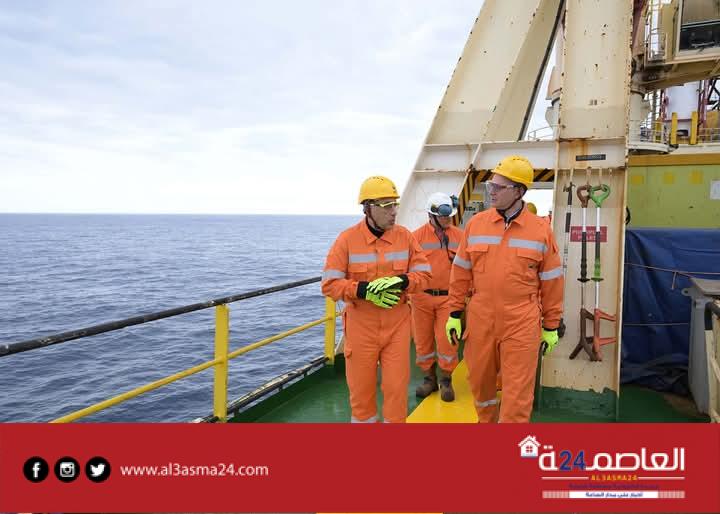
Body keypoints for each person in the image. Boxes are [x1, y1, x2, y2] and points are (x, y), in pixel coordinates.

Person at [445, 156, 563, 422]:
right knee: (480, 385)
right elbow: (460, 272)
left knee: (517, 394)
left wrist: (551, 325)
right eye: (491, 185)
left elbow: (552, 281)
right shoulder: (476, 224)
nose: (492, 191)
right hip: (481, 318)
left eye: (499, 187)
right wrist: (454, 313)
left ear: (519, 191)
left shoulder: (540, 231)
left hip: (521, 321)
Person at [321, 176, 432, 423]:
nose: (394, 211)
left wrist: (403, 281)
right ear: (368, 208)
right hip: (361, 326)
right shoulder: (347, 240)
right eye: (386, 205)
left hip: (397, 325)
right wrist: (363, 290)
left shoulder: (405, 237)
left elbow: (425, 275)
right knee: (361, 395)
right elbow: (329, 284)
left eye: (395, 204)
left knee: (396, 391)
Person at [410, 192, 464, 402]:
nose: (448, 218)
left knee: (447, 341)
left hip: (449, 299)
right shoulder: (415, 238)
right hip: (421, 298)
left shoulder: (460, 237)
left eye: (449, 215)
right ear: (431, 215)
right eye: (443, 215)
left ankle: (446, 381)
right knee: (422, 342)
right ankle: (429, 379)